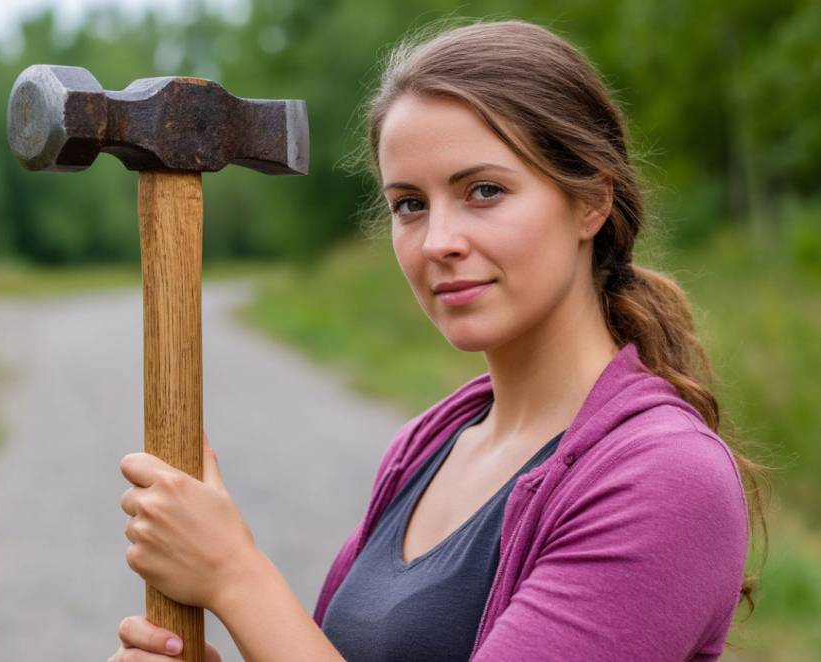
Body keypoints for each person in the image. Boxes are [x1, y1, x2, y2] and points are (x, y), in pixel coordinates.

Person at [108, 17, 770, 662]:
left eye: (483, 191)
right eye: (409, 204)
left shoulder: (665, 479)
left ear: (591, 203)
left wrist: (233, 574)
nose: (438, 242)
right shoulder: (429, 445)